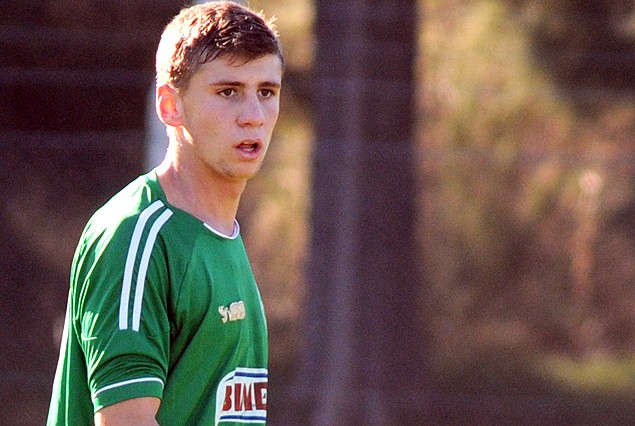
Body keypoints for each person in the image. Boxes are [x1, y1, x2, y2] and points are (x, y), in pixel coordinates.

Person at [46, 1, 284, 424]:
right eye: (227, 91)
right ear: (170, 106)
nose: (253, 116)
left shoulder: (221, 233)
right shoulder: (135, 237)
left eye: (266, 92)